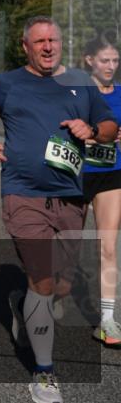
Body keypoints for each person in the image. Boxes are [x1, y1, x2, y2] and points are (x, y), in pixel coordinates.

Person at [0, 16, 117, 403]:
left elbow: (109, 125)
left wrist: (92, 130)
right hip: (24, 195)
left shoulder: (81, 84)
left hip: (70, 197)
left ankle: (23, 304)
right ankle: (44, 371)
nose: (48, 46)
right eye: (40, 42)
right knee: (43, 280)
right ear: (26, 46)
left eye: (53, 40)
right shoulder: (7, 83)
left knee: (61, 285)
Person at [80, 34, 121, 347]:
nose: (111, 66)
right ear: (89, 60)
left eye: (115, 60)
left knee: (107, 247)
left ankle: (107, 319)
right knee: (64, 248)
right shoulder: (74, 92)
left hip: (111, 174)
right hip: (75, 174)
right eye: (105, 60)